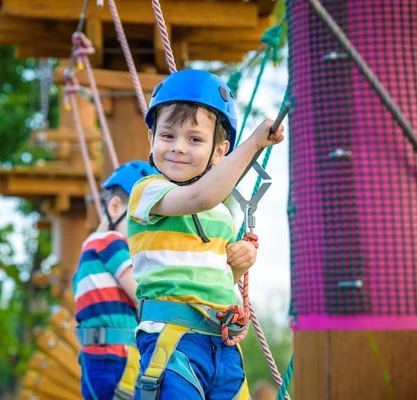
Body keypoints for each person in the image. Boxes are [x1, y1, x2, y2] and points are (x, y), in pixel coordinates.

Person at [128, 69, 285, 399]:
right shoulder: (148, 191)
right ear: (152, 140)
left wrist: (241, 261)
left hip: (222, 346)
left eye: (194, 139)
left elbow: (217, 277)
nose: (179, 148)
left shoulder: (221, 214)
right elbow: (199, 196)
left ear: (219, 152)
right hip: (174, 339)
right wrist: (253, 144)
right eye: (167, 136)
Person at [73, 161, 159, 400]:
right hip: (114, 359)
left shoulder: (88, 252)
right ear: (115, 208)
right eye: (141, 223)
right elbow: (141, 293)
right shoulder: (110, 241)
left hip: (97, 357)